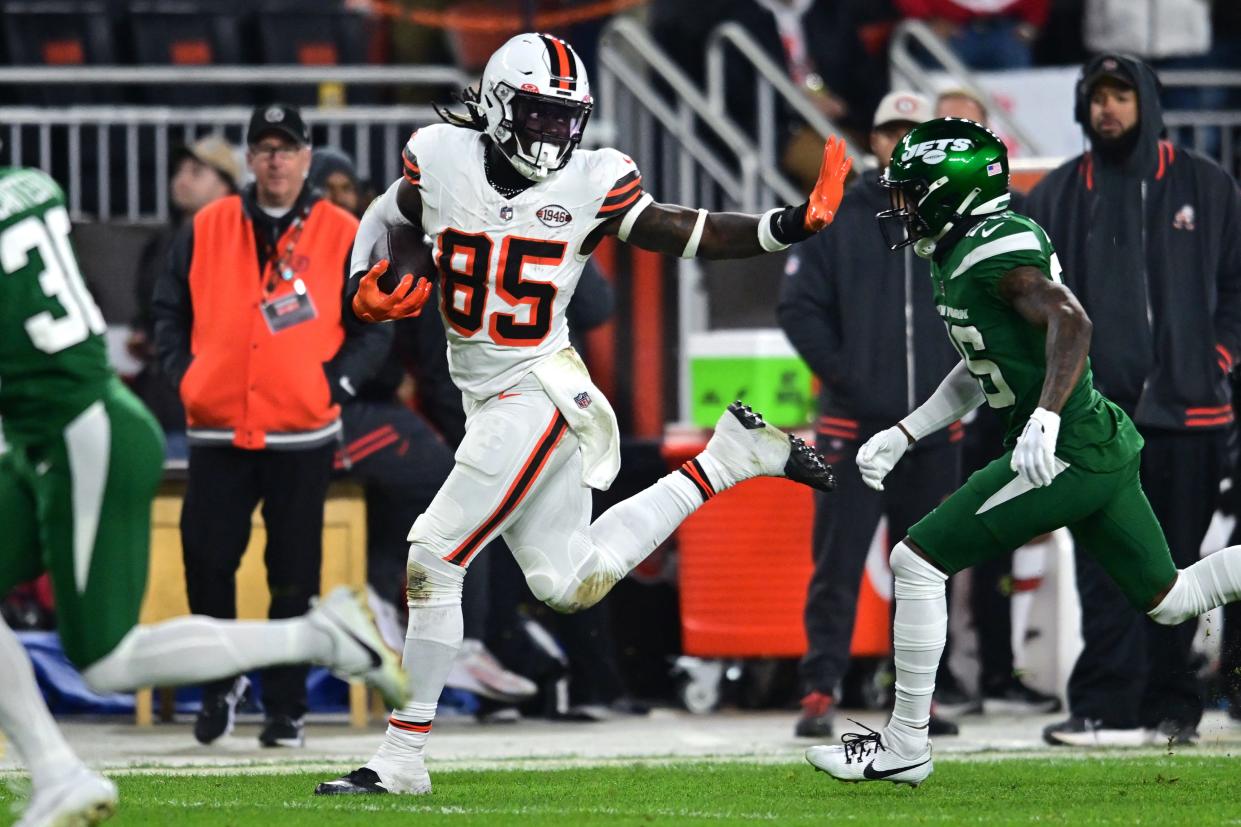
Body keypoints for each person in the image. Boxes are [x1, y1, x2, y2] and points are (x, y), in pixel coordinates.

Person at [313, 32, 846, 796]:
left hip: (538, 392)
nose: (555, 134)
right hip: (491, 397)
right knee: (566, 582)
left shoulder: (596, 180)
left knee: (434, 553)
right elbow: (388, 214)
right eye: (539, 115)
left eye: (567, 119)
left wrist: (784, 225)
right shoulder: (438, 154)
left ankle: (400, 758)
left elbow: (684, 229)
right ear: (498, 106)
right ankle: (727, 461)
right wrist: (360, 283)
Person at [804, 116, 1241, 786]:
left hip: (1064, 446)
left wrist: (1042, 416)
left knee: (914, 560)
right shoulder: (964, 247)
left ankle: (904, 744)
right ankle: (903, 742)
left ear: (951, 194)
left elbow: (1071, 320)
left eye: (912, 191)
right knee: (1171, 597)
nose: (901, 206)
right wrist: (908, 430)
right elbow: (987, 360)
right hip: (1095, 440)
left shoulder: (993, 251)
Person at [0, 166, 407, 827]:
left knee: (106, 661)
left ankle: (318, 633)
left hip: (78, 434)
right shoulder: (31, 185)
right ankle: (54, 773)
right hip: (57, 432)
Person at [153, 103, 395, 749]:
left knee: (293, 573)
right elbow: (167, 309)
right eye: (263, 147)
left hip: (300, 430)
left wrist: (334, 384)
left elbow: (375, 321)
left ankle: (285, 707)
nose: (275, 159)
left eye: (286, 148)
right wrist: (188, 377)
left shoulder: (344, 229)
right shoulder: (207, 225)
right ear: (249, 157)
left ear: (307, 157)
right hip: (218, 428)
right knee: (207, 563)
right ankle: (219, 682)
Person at [1024, 54, 1241, 746]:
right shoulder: (1057, 193)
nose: (1106, 109)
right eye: (1096, 97)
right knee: (1099, 567)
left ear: (1145, 100)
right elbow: (1031, 306)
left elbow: (1236, 287)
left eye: (1120, 95)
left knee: (1176, 567)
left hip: (1189, 417)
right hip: (1094, 421)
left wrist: (1212, 361)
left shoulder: (1206, 185)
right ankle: (1101, 703)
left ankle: (1173, 705)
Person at [778, 90, 966, 738]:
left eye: (912, 131)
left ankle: (916, 697)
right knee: (837, 561)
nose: (899, 142)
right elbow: (797, 308)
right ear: (874, 140)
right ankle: (818, 686)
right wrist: (853, 381)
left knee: (924, 566)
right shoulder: (838, 214)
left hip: (932, 428)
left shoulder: (950, 215)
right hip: (852, 427)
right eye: (889, 131)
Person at [933, 88, 1062, 716]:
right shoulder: (926, 222)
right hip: (964, 398)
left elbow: (1065, 317)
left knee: (988, 544)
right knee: (947, 548)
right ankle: (960, 675)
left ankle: (995, 672)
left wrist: (1047, 410)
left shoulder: (1009, 228)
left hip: (1022, 409)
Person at [128, 135, 241, 456]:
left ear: (226, 186)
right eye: (179, 171)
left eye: (196, 171)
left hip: (211, 403)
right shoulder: (162, 242)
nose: (182, 180)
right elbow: (149, 308)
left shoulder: (237, 242)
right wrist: (144, 332)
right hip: (162, 396)